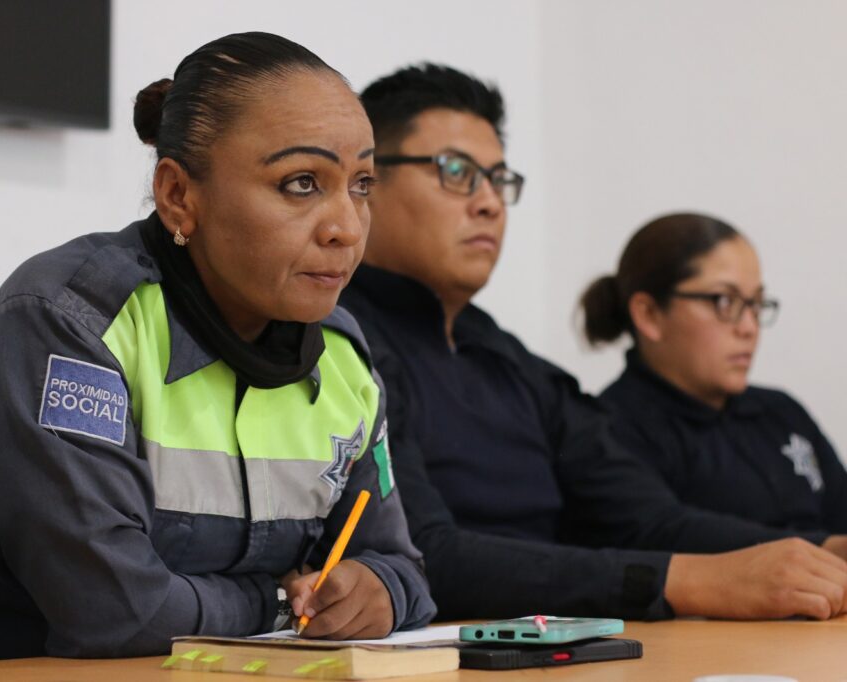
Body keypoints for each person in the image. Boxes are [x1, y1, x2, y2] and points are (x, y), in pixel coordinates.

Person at [0, 33, 435, 664]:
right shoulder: (67, 325)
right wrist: (277, 603)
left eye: (360, 184)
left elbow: (402, 565)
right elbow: (116, 614)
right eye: (301, 182)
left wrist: (381, 591)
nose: (347, 229)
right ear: (179, 196)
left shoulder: (343, 356)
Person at [339, 62, 847, 623]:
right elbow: (422, 554)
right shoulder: (342, 344)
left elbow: (644, 517)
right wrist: (685, 580)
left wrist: (824, 554)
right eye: (456, 171)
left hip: (568, 642)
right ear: (367, 182)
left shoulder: (512, 361)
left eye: (499, 180)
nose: (489, 203)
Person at [581, 212, 847, 533]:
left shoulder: (782, 413)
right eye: (724, 301)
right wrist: (825, 554)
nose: (749, 327)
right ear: (649, 315)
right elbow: (664, 540)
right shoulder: (609, 432)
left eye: (756, 304)